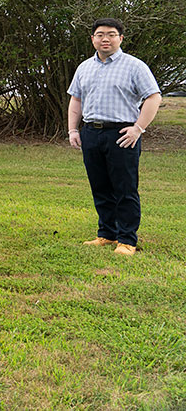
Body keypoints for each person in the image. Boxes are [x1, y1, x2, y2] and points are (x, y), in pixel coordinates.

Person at [67, 18, 161, 256]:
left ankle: (127, 240)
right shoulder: (84, 67)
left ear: (120, 38)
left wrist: (138, 129)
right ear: (92, 39)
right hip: (91, 133)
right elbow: (76, 100)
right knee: (100, 186)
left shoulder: (134, 66)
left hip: (122, 134)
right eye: (100, 34)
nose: (105, 38)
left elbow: (153, 97)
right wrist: (73, 130)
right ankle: (107, 234)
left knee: (125, 188)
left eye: (111, 34)